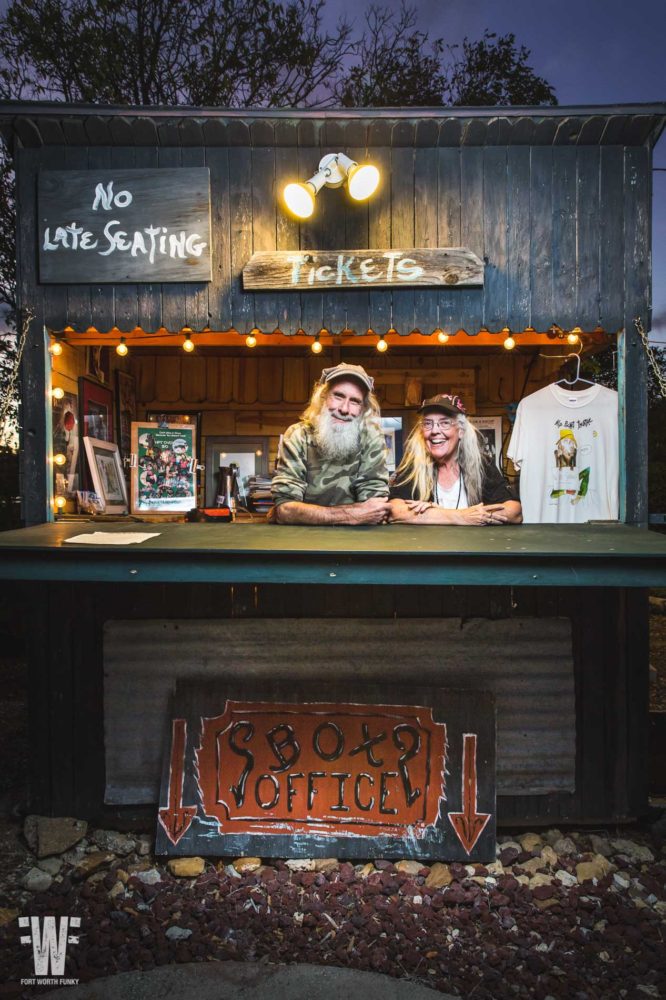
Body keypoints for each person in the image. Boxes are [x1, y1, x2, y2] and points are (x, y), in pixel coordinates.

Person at [271, 363, 391, 525]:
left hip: (357, 537)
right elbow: (285, 510)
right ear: (323, 398)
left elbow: (375, 509)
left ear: (363, 409)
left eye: (355, 401)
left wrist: (311, 513)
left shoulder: (371, 437)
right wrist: (351, 515)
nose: (344, 409)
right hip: (303, 535)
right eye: (338, 396)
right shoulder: (297, 435)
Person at [388, 393, 522, 525]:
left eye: (445, 423)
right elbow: (394, 510)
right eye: (428, 424)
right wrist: (460, 516)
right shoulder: (413, 468)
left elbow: (514, 511)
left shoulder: (481, 465)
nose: (434, 431)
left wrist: (431, 515)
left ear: (461, 431)